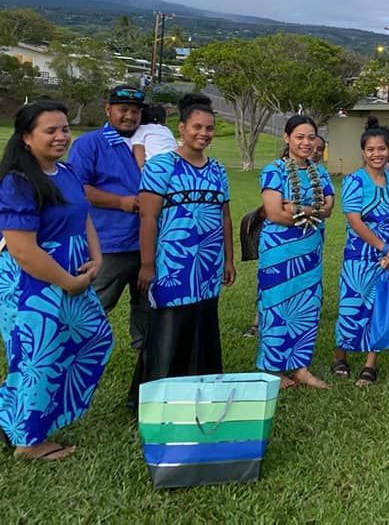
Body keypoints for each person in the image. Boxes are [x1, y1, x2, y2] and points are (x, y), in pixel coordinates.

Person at [0, 101, 114, 460]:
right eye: (50, 130)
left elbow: (84, 217)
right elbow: (22, 250)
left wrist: (96, 258)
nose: (61, 136)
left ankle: (12, 417)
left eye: (65, 128)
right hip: (34, 283)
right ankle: (29, 443)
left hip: (72, 273)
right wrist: (67, 281)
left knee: (94, 337)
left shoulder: (65, 173)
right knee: (38, 356)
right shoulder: (18, 182)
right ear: (26, 137)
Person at [130, 94, 235, 405]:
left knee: (202, 324)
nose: (203, 133)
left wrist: (228, 259)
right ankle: (156, 397)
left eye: (210, 128)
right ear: (182, 128)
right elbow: (148, 217)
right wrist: (147, 265)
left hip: (207, 264)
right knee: (169, 328)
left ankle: (200, 390)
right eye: (197, 127)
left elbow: (224, 216)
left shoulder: (217, 169)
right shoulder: (161, 166)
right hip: (173, 264)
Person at [256, 115, 335, 389]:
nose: (305, 142)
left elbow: (329, 208)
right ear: (286, 138)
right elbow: (275, 213)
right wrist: (311, 213)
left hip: (310, 251)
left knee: (306, 307)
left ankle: (301, 367)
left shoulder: (320, 172)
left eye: (310, 137)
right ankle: (273, 370)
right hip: (278, 251)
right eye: (299, 136)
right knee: (277, 307)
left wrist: (301, 210)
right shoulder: (273, 170)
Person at [68, 85, 149, 350]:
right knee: (95, 305)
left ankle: (147, 359)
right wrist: (122, 202)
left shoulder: (149, 142)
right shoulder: (90, 143)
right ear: (108, 110)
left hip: (147, 243)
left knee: (147, 308)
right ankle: (72, 353)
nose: (129, 116)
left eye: (135, 112)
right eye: (123, 110)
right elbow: (78, 189)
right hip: (109, 244)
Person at [332, 118, 389, 386]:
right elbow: (355, 219)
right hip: (360, 256)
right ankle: (340, 354)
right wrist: (383, 247)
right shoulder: (354, 181)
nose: (377, 154)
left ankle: (370, 362)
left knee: (379, 307)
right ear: (363, 152)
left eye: (382, 149)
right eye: (371, 149)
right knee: (351, 306)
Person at [131, 104, 178, 168]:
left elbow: (138, 147)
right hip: (176, 161)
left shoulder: (141, 129)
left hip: (158, 164)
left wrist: (141, 168)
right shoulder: (166, 129)